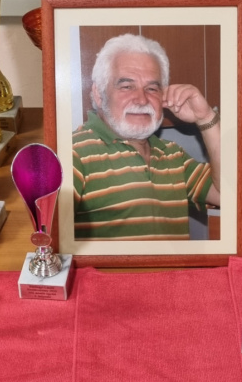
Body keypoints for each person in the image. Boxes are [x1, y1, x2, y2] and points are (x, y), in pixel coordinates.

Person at [73, 33, 221, 240]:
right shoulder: (73, 153)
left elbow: (228, 194)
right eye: (127, 86)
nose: (142, 99)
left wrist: (206, 118)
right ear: (99, 94)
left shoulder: (173, 155)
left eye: (152, 88)